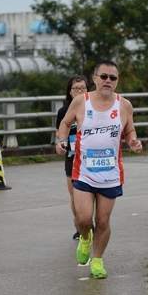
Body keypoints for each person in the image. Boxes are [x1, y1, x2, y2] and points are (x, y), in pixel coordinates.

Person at [56, 60, 143, 279]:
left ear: (117, 81)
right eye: (103, 76)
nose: (107, 81)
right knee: (83, 218)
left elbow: (129, 130)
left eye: (112, 78)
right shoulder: (80, 102)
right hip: (84, 171)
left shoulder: (124, 105)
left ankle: (97, 260)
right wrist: (62, 140)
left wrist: (133, 141)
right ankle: (85, 238)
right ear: (94, 78)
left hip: (110, 174)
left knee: (103, 221)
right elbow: (64, 123)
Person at [55, 75, 89, 240]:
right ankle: (80, 226)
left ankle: (90, 223)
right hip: (72, 156)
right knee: (74, 195)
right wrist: (62, 143)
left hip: (90, 156)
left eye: (83, 88)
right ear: (70, 91)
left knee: (91, 194)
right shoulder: (64, 111)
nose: (80, 91)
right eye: (76, 88)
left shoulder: (94, 108)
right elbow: (59, 133)